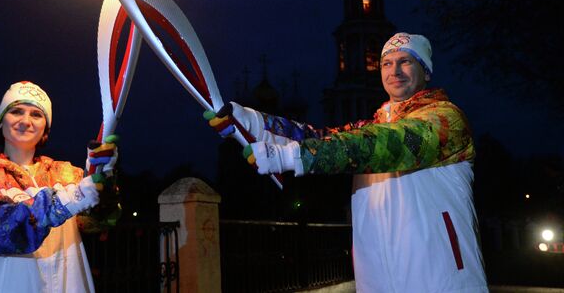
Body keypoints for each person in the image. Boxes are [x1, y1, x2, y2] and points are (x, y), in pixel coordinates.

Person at [208, 32, 488, 292]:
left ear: (425, 71)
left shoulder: (446, 120)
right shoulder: (374, 126)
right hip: (379, 282)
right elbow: (317, 136)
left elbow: (383, 145)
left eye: (405, 62)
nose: (395, 71)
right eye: (387, 64)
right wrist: (251, 121)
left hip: (441, 280)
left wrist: (291, 156)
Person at [0, 81, 119, 293]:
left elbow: (96, 223)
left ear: (45, 129)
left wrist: (103, 181)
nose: (25, 121)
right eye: (16, 111)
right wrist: (61, 203)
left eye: (36, 115)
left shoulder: (65, 173)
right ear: (1, 122)